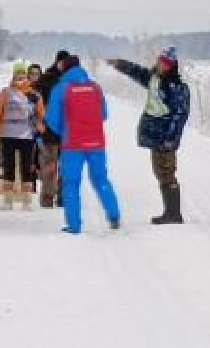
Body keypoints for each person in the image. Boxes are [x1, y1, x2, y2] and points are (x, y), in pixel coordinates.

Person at [110, 48, 192, 225]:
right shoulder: (154, 79)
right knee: (160, 172)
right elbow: (137, 72)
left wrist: (170, 138)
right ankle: (170, 212)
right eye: (161, 61)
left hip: (166, 138)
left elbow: (180, 115)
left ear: (172, 66)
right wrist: (121, 64)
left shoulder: (177, 87)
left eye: (166, 63)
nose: (162, 65)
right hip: (156, 135)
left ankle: (173, 214)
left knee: (166, 172)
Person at [42, 61, 121, 234]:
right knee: (101, 179)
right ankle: (114, 215)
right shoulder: (95, 87)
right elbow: (104, 114)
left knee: (71, 183)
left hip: (72, 144)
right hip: (96, 143)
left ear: (65, 70)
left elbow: (52, 119)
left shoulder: (61, 88)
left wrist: (64, 130)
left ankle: (74, 225)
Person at [0, 65, 43, 208]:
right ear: (13, 77)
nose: (20, 79)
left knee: (26, 167)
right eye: (17, 76)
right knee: (8, 167)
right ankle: (8, 200)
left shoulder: (34, 95)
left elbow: (41, 115)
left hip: (26, 135)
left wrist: (40, 130)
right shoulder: (5, 93)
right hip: (8, 135)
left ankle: (26, 201)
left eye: (22, 76)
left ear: (27, 77)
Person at [32, 51, 76, 209]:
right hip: (49, 130)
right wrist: (38, 119)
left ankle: (63, 197)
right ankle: (47, 198)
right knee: (49, 166)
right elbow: (34, 100)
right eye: (61, 62)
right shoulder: (46, 79)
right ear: (56, 62)